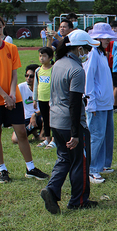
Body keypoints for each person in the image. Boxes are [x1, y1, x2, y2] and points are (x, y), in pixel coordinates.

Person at [0, 13, 49, 183]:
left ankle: (30, 168)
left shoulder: (11, 48)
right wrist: (4, 96)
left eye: (1, 27)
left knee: (22, 132)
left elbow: (14, 74)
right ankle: (2, 170)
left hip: (12, 96)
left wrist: (11, 95)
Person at [40, 30, 100, 214]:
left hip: (56, 120)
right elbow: (74, 103)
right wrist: (76, 133)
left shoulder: (58, 64)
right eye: (87, 49)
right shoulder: (76, 70)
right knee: (80, 162)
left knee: (64, 158)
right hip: (71, 123)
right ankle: (78, 201)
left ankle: (51, 190)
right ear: (79, 49)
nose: (88, 53)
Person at [85, 23, 117, 184]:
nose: (108, 41)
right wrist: (91, 102)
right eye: (105, 38)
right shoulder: (92, 53)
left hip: (106, 102)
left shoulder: (101, 54)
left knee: (106, 135)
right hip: (97, 104)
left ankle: (103, 164)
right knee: (96, 136)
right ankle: (91, 169)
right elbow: (88, 78)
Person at [11, 64, 43, 143]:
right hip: (27, 119)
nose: (28, 78)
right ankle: (33, 132)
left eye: (31, 76)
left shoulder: (43, 88)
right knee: (15, 139)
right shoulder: (20, 87)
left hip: (40, 117)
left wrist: (35, 114)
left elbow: (48, 107)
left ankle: (41, 135)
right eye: (26, 75)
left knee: (48, 116)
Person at [33, 47, 56, 149]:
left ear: (50, 57)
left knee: (53, 120)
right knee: (45, 119)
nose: (42, 58)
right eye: (40, 56)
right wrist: (35, 99)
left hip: (52, 99)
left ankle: (54, 140)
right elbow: (36, 85)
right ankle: (47, 138)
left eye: (44, 56)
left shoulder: (54, 69)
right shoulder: (38, 70)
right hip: (42, 99)